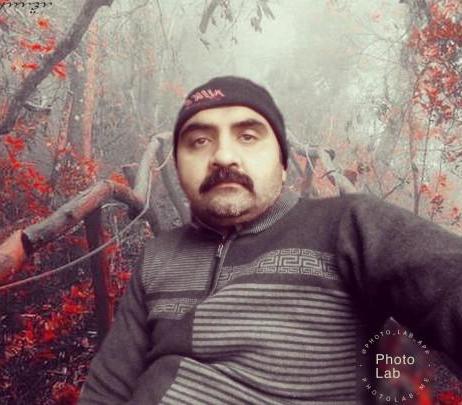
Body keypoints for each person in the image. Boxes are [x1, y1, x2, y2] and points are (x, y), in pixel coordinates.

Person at [79, 76, 462, 404]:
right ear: (178, 168)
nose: (223, 156)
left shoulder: (348, 225)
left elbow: (449, 284)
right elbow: (108, 389)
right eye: (198, 141)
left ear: (282, 164)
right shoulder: (158, 255)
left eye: (248, 136)